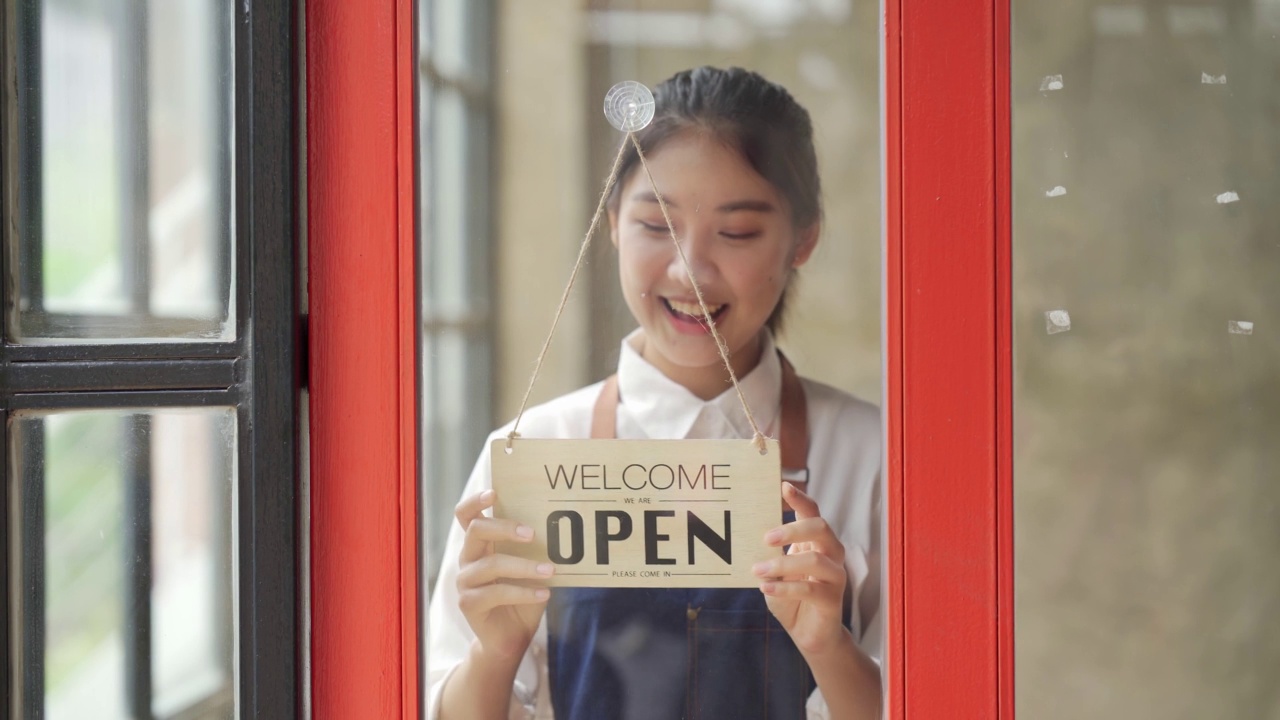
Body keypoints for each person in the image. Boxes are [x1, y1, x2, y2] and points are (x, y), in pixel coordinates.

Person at [427, 66, 882, 719]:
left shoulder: (875, 459)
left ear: (801, 240)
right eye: (655, 225)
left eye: (738, 233)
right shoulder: (530, 454)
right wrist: (494, 655)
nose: (689, 271)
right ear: (611, 223)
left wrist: (826, 645)